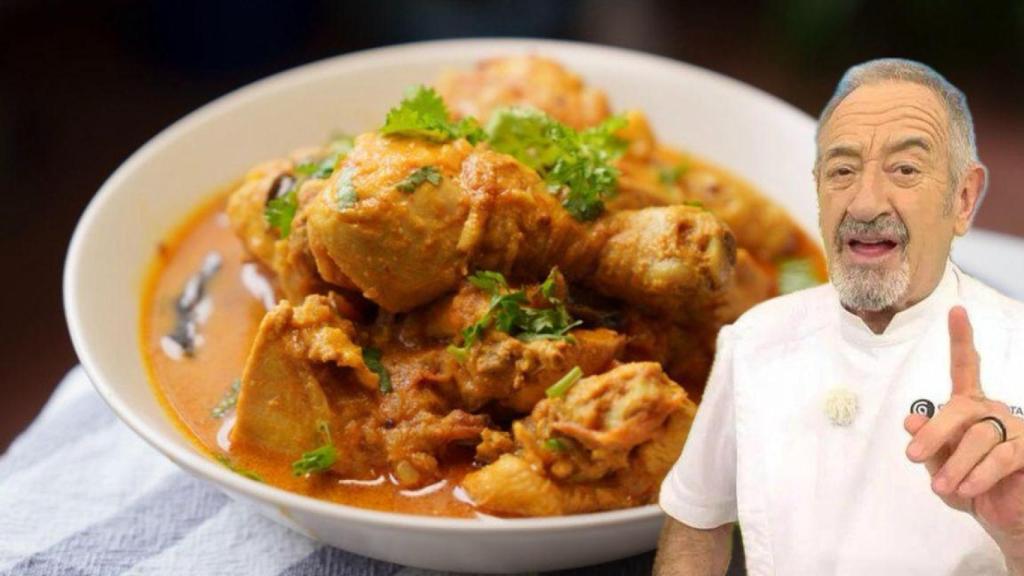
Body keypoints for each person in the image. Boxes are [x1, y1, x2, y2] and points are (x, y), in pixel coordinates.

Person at [653, 58, 1024, 575]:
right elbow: (696, 522)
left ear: (963, 198)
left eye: (905, 170)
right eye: (842, 171)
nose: (866, 202)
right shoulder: (754, 338)